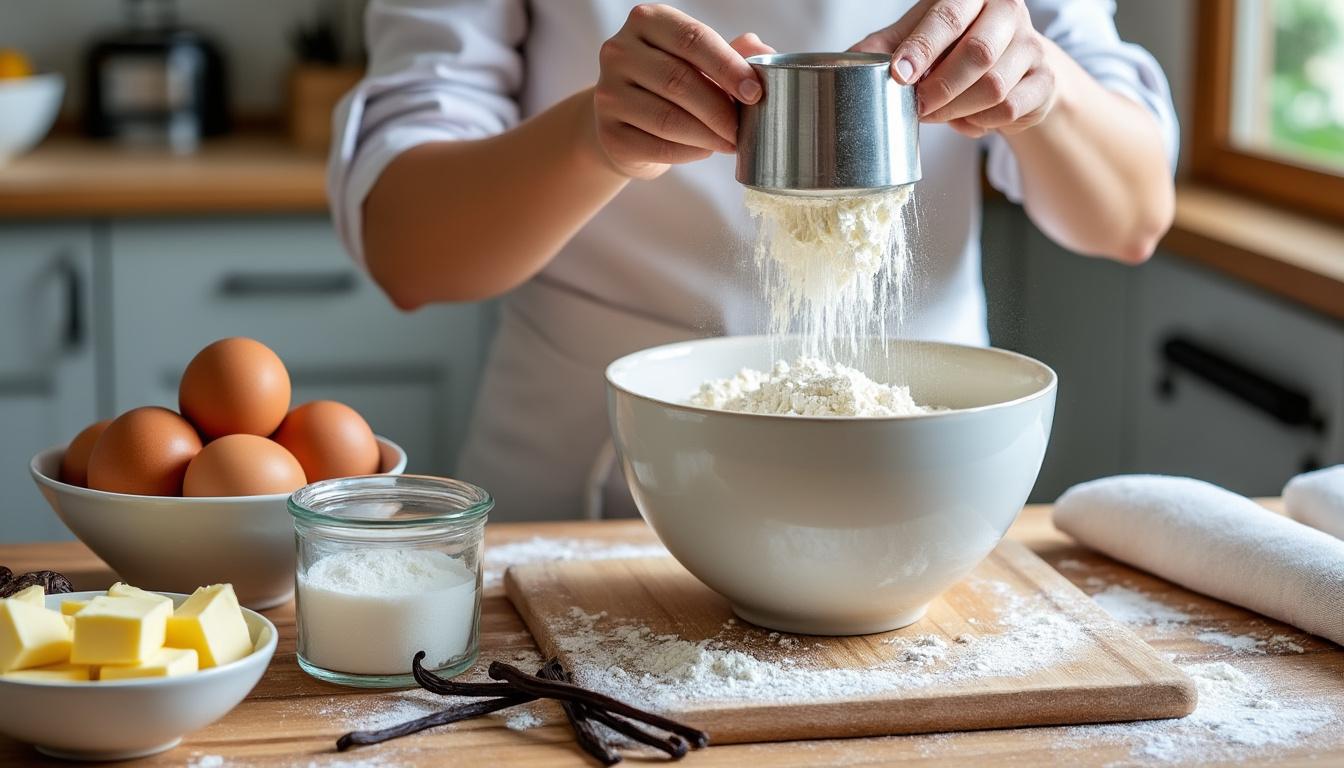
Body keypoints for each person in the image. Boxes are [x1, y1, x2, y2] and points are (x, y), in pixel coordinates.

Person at [329, 0, 1178, 521]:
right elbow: (411, 253)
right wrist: (596, 139)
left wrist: (1043, 88)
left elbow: (1133, 216)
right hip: (592, 496)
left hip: (919, 467)